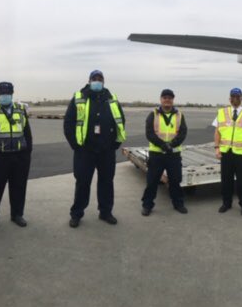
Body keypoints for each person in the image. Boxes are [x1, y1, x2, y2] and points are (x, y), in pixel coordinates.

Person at [64, 70, 126, 228]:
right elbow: (69, 123)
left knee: (106, 182)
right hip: (85, 151)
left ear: (104, 81)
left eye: (100, 79)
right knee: (82, 183)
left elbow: (120, 121)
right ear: (89, 81)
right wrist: (76, 145)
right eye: (94, 79)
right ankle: (77, 213)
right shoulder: (79, 98)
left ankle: (105, 212)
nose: (97, 81)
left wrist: (115, 144)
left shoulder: (111, 99)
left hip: (106, 151)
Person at [0, 82, 32, 232]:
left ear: (12, 94)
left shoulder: (21, 110)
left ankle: (17, 215)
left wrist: (27, 154)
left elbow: (27, 134)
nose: (5, 95)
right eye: (2, 93)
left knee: (19, 188)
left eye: (8, 93)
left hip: (20, 157)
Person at [141, 89, 188, 216]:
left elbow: (183, 133)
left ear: (173, 100)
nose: (167, 100)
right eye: (165, 97)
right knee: (152, 182)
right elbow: (149, 133)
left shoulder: (179, 115)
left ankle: (178, 204)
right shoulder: (153, 114)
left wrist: (171, 145)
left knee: (175, 181)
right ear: (161, 99)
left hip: (173, 154)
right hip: (157, 154)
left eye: (170, 98)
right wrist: (162, 145)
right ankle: (147, 205)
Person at [213, 88, 242, 216]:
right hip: (225, 152)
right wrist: (216, 148)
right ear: (230, 98)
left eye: (238, 96)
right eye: (233, 96)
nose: (235, 98)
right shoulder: (222, 112)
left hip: (241, 153)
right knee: (226, 179)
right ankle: (226, 203)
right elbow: (217, 131)